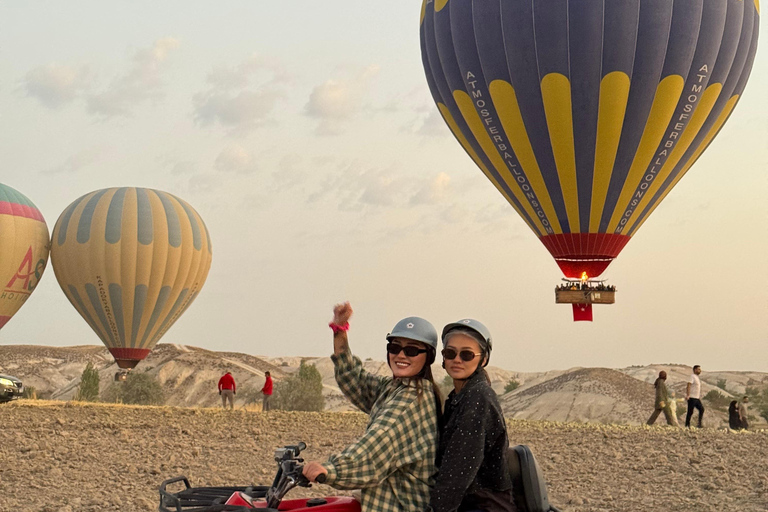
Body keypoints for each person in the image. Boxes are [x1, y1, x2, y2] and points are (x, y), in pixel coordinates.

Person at [301, 302, 440, 512]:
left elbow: (376, 447)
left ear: (428, 357)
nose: (401, 355)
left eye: (411, 350)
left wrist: (330, 469)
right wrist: (340, 331)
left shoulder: (412, 401)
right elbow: (354, 379)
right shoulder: (395, 388)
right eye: (395, 347)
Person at [429, 319, 515, 512]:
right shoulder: (458, 397)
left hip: (485, 505)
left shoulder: (478, 399)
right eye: (450, 353)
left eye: (467, 354)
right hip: (469, 502)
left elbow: (458, 473)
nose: (457, 359)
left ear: (483, 359)